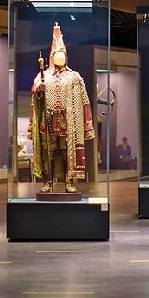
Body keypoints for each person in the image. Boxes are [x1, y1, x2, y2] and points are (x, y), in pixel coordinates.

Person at [28, 22, 95, 193]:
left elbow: (85, 101)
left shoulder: (75, 77)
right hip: (48, 120)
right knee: (48, 151)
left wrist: (87, 125)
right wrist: (39, 89)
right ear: (51, 57)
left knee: (66, 151)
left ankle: (69, 181)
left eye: (62, 55)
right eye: (56, 55)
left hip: (68, 120)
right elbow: (35, 93)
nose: (60, 58)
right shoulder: (43, 76)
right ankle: (48, 182)